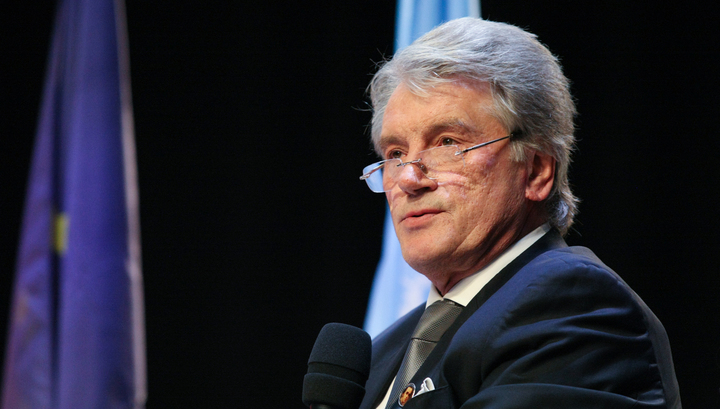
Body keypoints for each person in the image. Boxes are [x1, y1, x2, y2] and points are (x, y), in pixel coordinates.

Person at [357, 18, 681, 409]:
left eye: (447, 143)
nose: (408, 179)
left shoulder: (574, 306)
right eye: (395, 154)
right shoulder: (380, 354)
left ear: (536, 171)